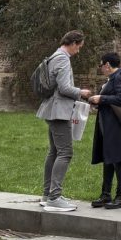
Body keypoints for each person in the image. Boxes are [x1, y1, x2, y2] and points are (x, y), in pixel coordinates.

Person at [36, 30, 92, 212]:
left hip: (52, 109)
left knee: (54, 152)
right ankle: (54, 197)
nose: (79, 51)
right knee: (65, 153)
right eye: (79, 47)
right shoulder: (62, 58)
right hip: (59, 111)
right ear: (73, 43)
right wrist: (81, 92)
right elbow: (64, 88)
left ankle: (48, 194)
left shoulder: (54, 56)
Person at [88, 52, 121, 209]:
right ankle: (106, 195)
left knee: (118, 160)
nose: (101, 69)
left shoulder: (120, 78)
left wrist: (101, 99)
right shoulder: (112, 79)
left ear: (107, 65)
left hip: (117, 127)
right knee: (108, 160)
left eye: (101, 65)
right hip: (109, 126)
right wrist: (98, 102)